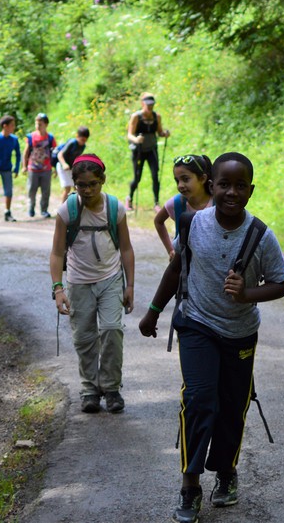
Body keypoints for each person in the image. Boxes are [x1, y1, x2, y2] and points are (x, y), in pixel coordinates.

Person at [139, 152, 284, 523]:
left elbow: (281, 283)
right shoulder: (192, 224)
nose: (231, 192)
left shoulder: (261, 235)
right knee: (199, 398)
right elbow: (177, 268)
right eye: (224, 184)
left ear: (251, 191)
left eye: (240, 186)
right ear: (212, 185)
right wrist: (154, 311)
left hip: (239, 333)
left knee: (232, 405)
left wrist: (246, 295)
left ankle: (226, 473)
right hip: (196, 324)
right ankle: (190, 485)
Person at [49, 153, 135, 414]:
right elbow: (56, 253)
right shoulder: (67, 211)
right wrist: (58, 289)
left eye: (93, 184)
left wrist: (129, 286)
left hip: (110, 280)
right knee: (85, 338)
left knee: (111, 329)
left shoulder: (115, 209)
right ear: (73, 184)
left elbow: (127, 249)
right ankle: (89, 389)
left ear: (103, 181)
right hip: (78, 283)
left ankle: (111, 388)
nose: (87, 190)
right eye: (81, 185)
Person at [153, 154, 213, 260]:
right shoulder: (177, 203)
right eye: (177, 180)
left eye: (185, 179)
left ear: (202, 178)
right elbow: (158, 221)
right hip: (184, 267)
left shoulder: (217, 203)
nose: (180, 185)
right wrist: (171, 250)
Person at [126, 92, 170, 213]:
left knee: (155, 175)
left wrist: (164, 134)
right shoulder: (136, 116)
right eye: (148, 104)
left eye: (152, 104)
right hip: (139, 151)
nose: (150, 107)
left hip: (152, 150)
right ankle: (129, 198)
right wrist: (136, 139)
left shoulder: (157, 116)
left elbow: (159, 132)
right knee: (137, 177)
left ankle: (156, 202)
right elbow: (129, 134)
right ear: (142, 104)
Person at [23, 112, 57, 218]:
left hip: (46, 168)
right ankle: (31, 208)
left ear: (46, 125)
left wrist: (55, 167)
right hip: (33, 168)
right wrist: (24, 166)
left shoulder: (50, 138)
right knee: (32, 190)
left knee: (46, 190)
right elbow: (26, 152)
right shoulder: (31, 137)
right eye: (36, 123)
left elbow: (54, 153)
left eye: (40, 124)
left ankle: (44, 210)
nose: (38, 126)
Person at [54, 125, 90, 202]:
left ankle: (77, 206)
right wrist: (64, 164)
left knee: (77, 187)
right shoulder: (72, 143)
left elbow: (77, 157)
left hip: (71, 167)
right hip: (62, 166)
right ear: (77, 136)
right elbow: (60, 154)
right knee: (67, 188)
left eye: (85, 140)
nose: (83, 142)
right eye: (82, 139)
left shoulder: (83, 146)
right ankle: (62, 209)